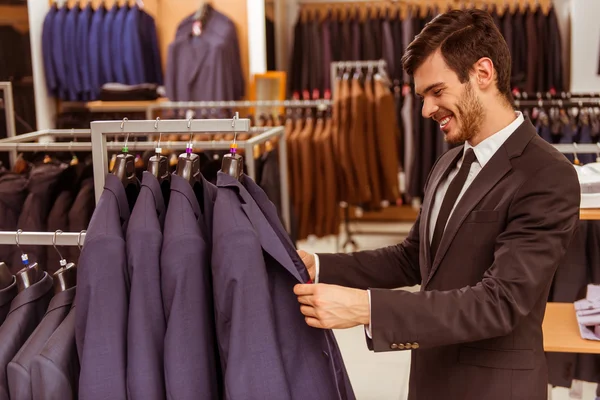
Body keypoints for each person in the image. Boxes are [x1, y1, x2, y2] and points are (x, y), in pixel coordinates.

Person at [293, 8, 580, 400]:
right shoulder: (449, 162)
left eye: (437, 92)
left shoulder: (547, 174)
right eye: (423, 96)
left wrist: (369, 309)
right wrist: (321, 264)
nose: (427, 110)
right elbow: (413, 257)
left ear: (483, 73)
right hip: (430, 380)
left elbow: (500, 302)